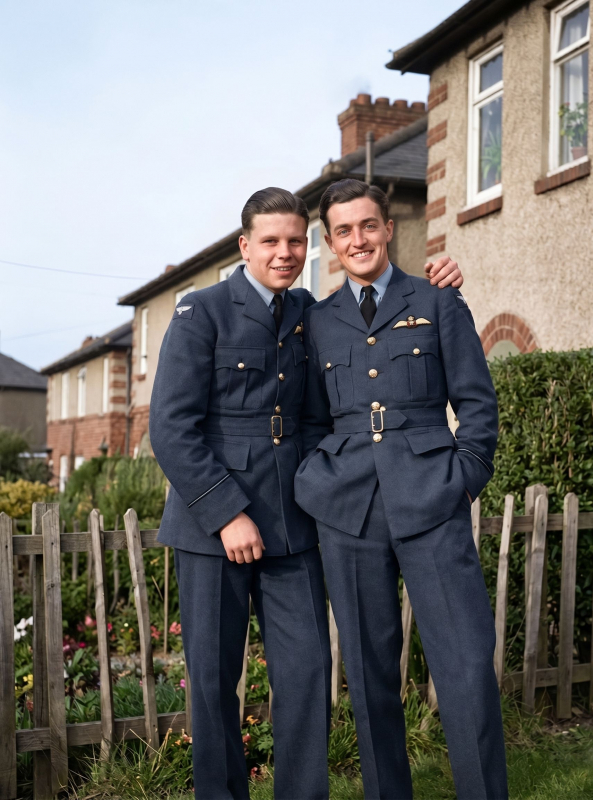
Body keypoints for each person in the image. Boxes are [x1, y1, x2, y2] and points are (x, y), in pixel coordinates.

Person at [149, 186, 465, 799]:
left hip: (292, 522)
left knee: (308, 676)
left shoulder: (307, 313)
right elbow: (170, 427)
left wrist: (445, 277)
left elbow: (340, 388)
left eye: (296, 240)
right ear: (245, 246)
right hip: (213, 526)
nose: (285, 252)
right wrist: (225, 514)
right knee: (214, 683)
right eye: (270, 241)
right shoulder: (201, 311)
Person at [295, 178, 507, 800]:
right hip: (348, 511)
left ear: (389, 229)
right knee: (366, 675)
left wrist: (463, 478)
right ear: (331, 244)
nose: (357, 240)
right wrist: (317, 483)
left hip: (431, 501)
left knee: (466, 668)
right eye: (343, 231)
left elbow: (477, 407)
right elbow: (309, 419)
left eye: (368, 226)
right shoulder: (317, 321)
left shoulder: (438, 300)